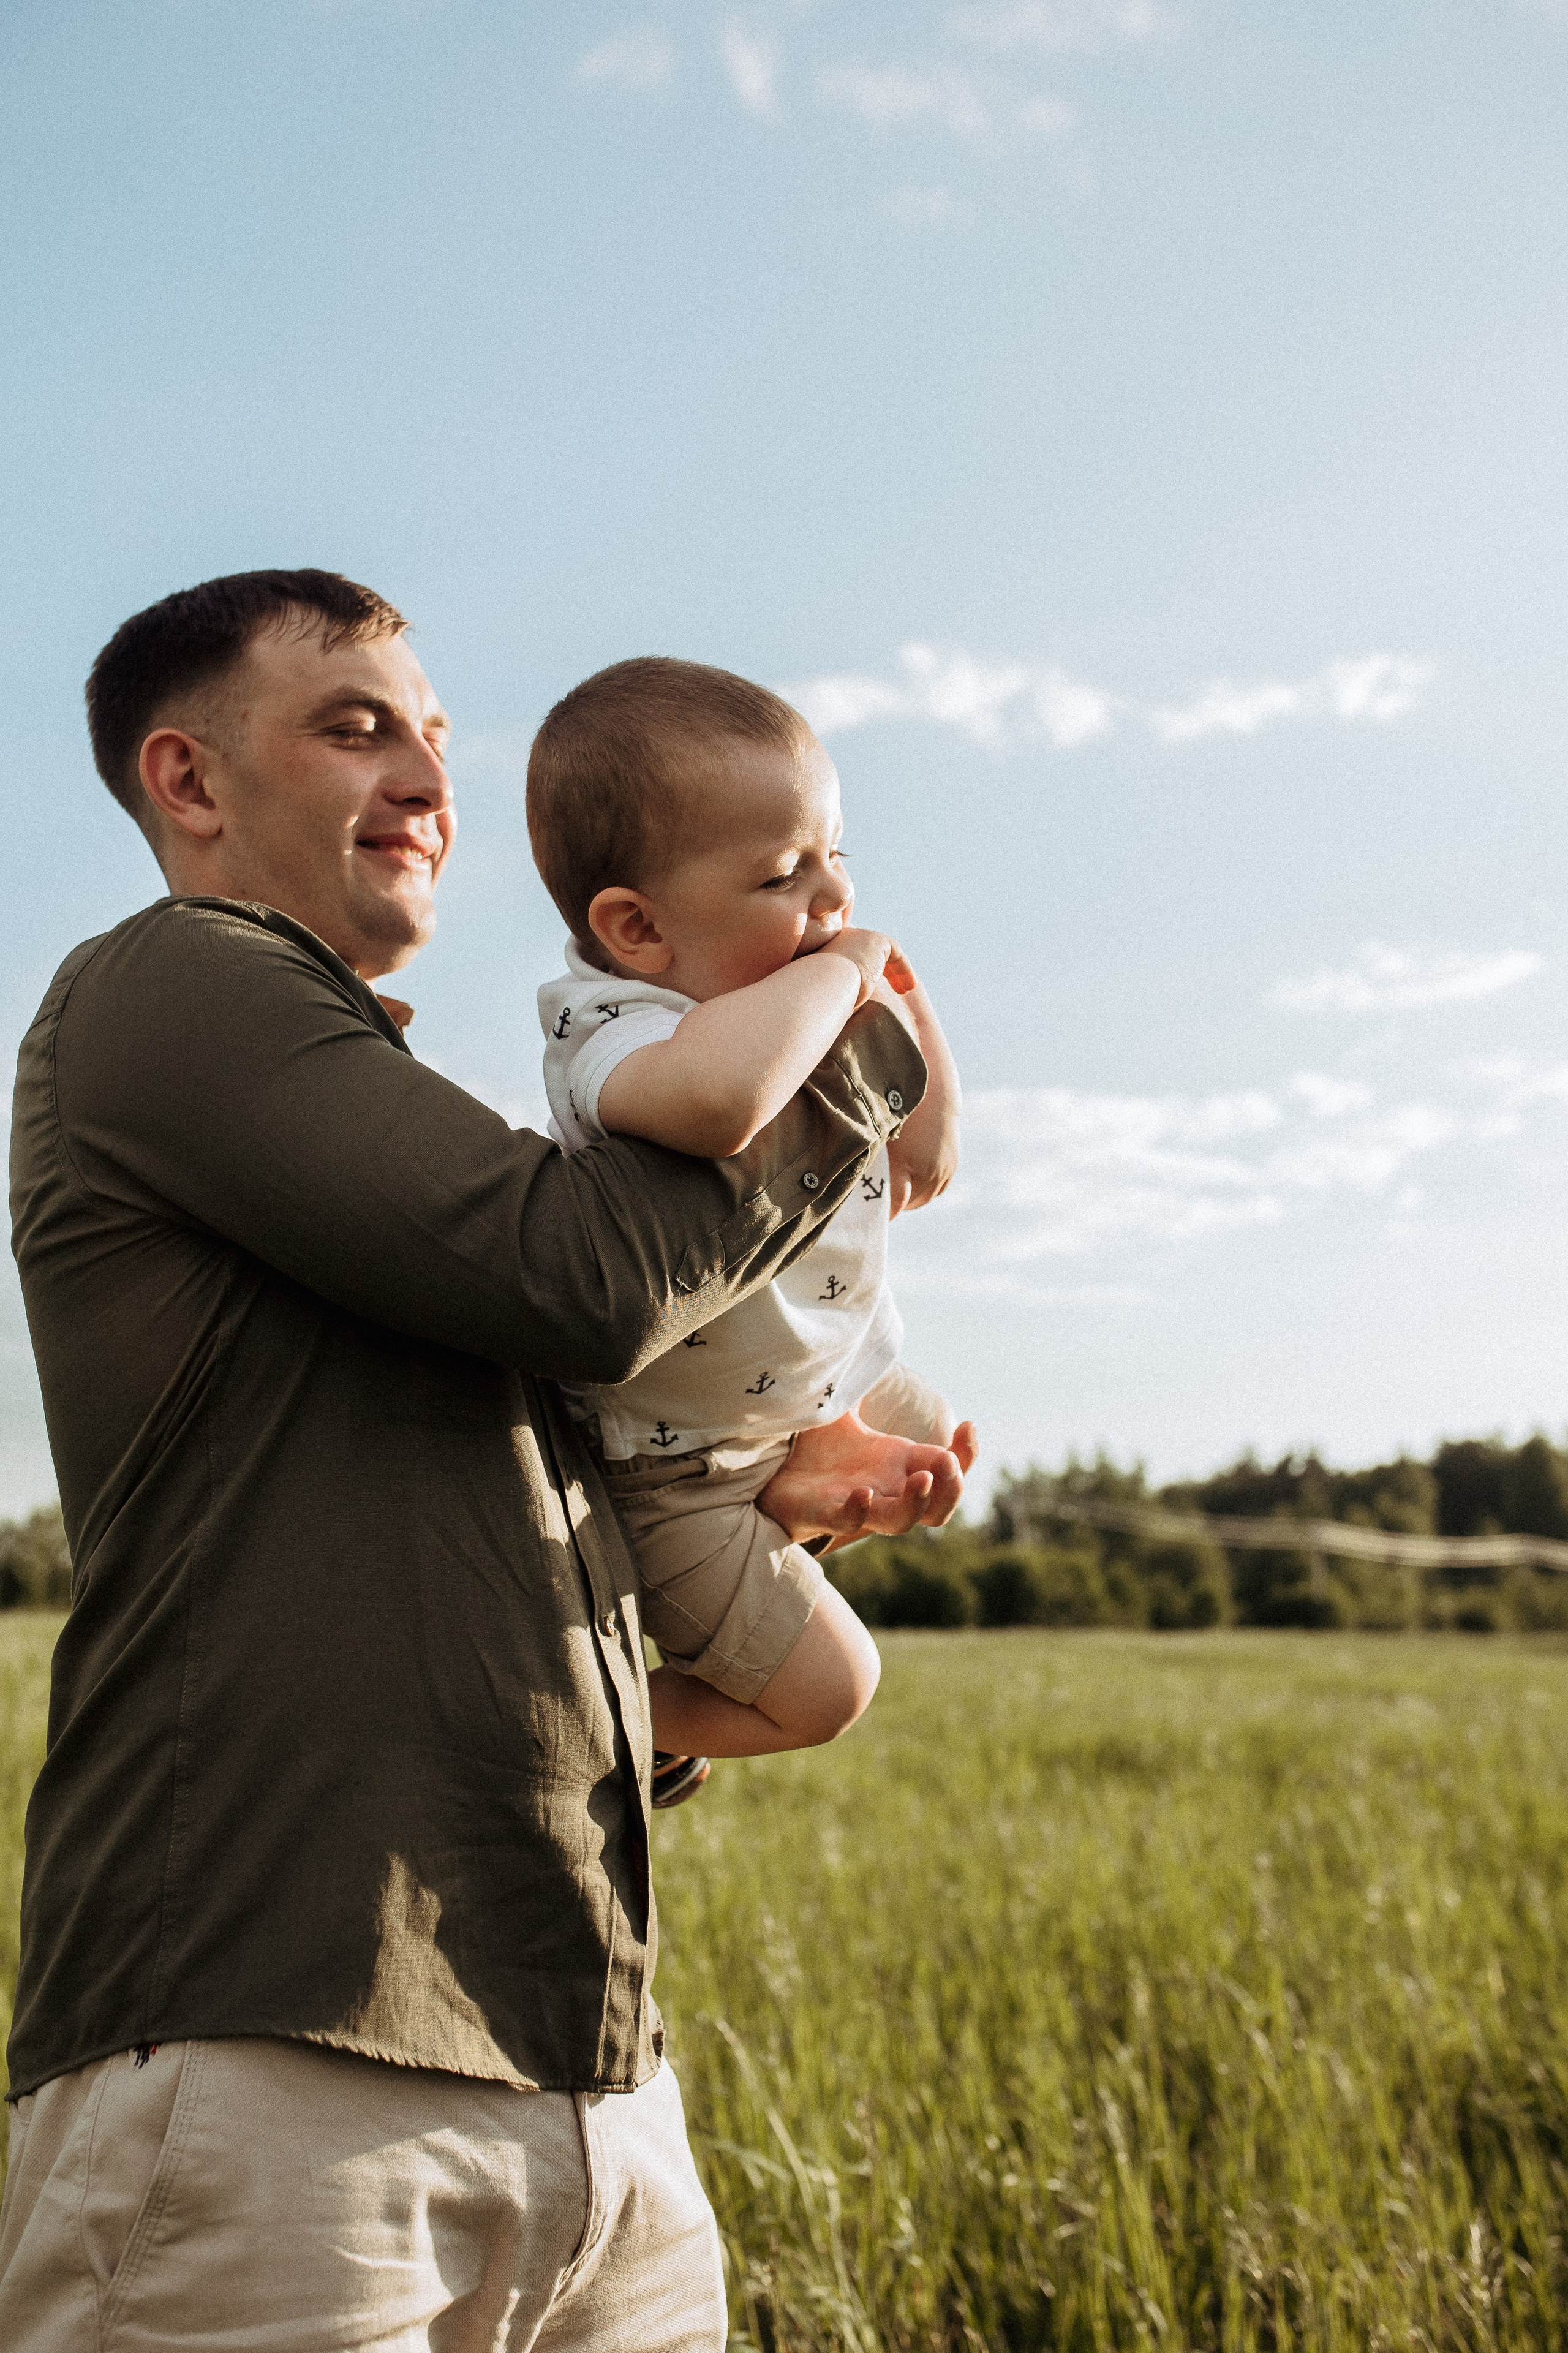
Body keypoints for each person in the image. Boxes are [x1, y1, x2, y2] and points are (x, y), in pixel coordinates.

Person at [0, 570, 974, 2350]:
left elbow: (530, 1483)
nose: (432, 778)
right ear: (188, 781)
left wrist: (760, 1493)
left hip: (582, 2061)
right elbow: (588, 1280)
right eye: (355, 725)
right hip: (274, 2058)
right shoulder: (171, 983)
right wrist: (849, 1040)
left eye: (437, 736)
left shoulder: (419, 1135)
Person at [528, 659, 973, 1785]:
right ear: (638, 928)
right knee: (833, 1688)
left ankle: (811, 1458)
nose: (833, 901)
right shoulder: (618, 1031)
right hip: (674, 1465)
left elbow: (926, 1161)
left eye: (839, 858)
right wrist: (846, 976)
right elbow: (723, 1102)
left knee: (938, 1432)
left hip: (793, 1386)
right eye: (784, 874)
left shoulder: (792, 1000)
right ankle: (603, 1718)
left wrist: (894, 984)